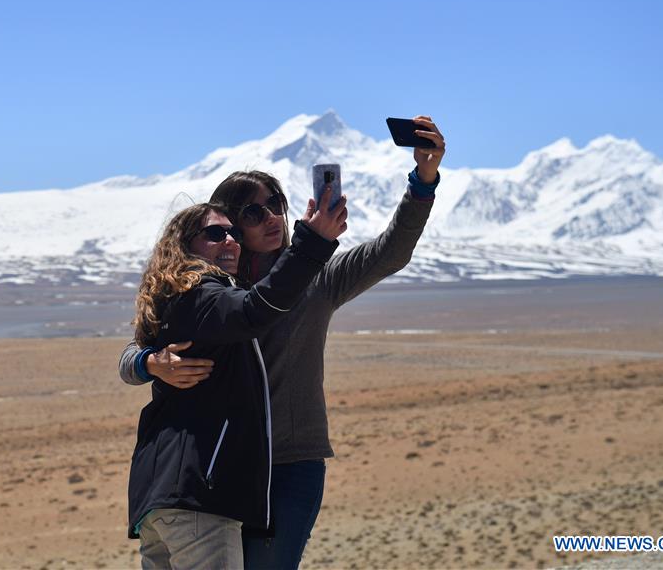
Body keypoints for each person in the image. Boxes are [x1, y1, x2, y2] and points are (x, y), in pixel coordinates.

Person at [122, 115, 445, 568]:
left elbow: (391, 251)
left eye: (277, 204)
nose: (272, 217)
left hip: (292, 463)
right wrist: (148, 363)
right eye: (253, 212)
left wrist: (423, 180)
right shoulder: (213, 289)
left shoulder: (316, 278)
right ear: (230, 227)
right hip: (229, 467)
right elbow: (144, 339)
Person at [128, 197, 347, 570]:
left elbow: (133, 355)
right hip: (199, 500)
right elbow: (254, 310)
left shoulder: (171, 299)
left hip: (159, 499)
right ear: (185, 245)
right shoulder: (203, 294)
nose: (230, 241)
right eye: (215, 234)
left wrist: (143, 361)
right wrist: (312, 242)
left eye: (232, 234)